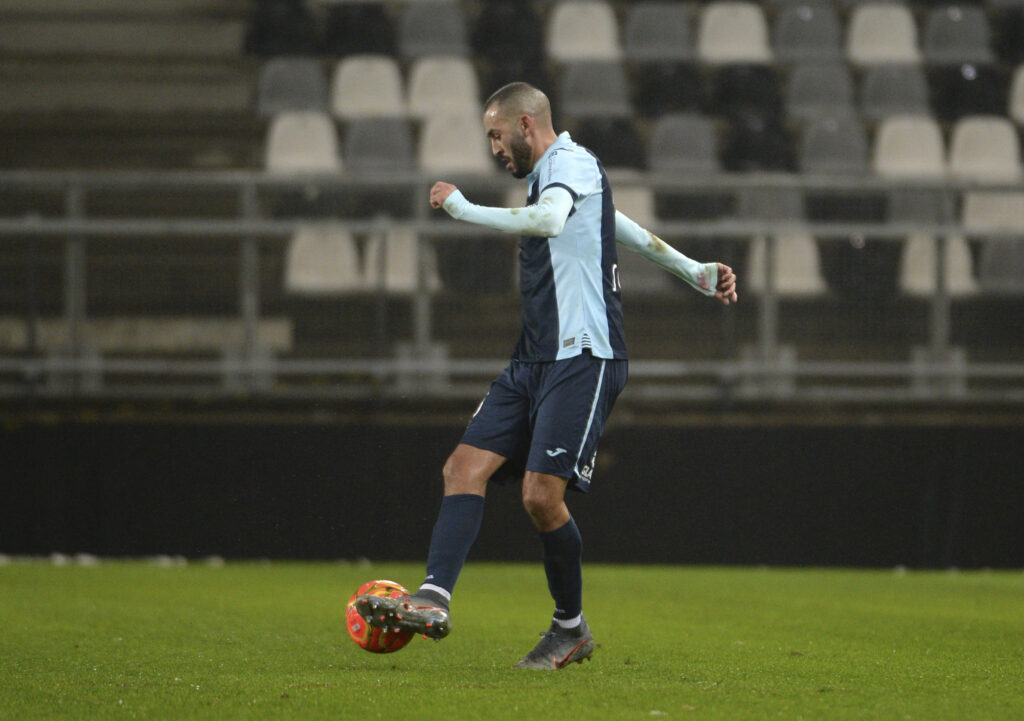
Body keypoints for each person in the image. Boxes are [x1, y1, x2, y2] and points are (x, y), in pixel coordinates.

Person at [357, 82, 737, 670]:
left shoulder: (570, 163)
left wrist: (462, 207)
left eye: (496, 135)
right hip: (533, 357)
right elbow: (618, 225)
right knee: (463, 467)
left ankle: (570, 628)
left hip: (584, 355)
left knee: (540, 496)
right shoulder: (559, 172)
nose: (494, 149)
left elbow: (552, 221)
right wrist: (693, 269)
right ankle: (432, 597)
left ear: (526, 125)